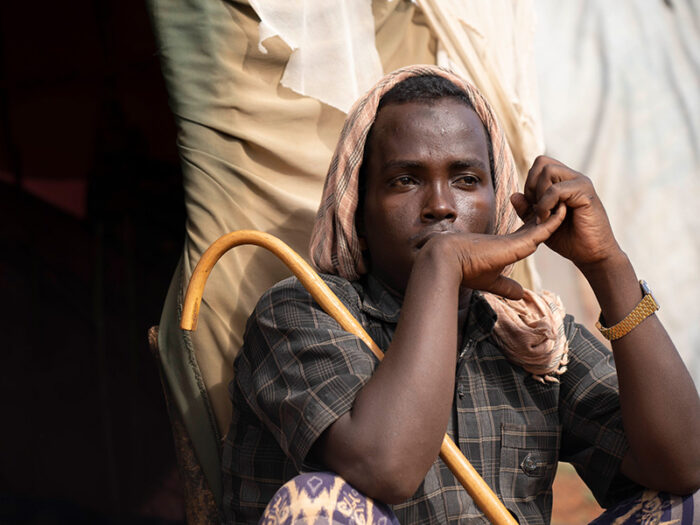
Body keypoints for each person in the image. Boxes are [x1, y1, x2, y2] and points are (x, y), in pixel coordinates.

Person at [221, 65, 700, 524]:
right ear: (357, 215)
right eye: (404, 180)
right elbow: (385, 467)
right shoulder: (301, 313)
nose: (441, 206)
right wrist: (442, 263)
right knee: (318, 503)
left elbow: (684, 465)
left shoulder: (531, 337)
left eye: (467, 180)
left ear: (499, 203)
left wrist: (607, 265)